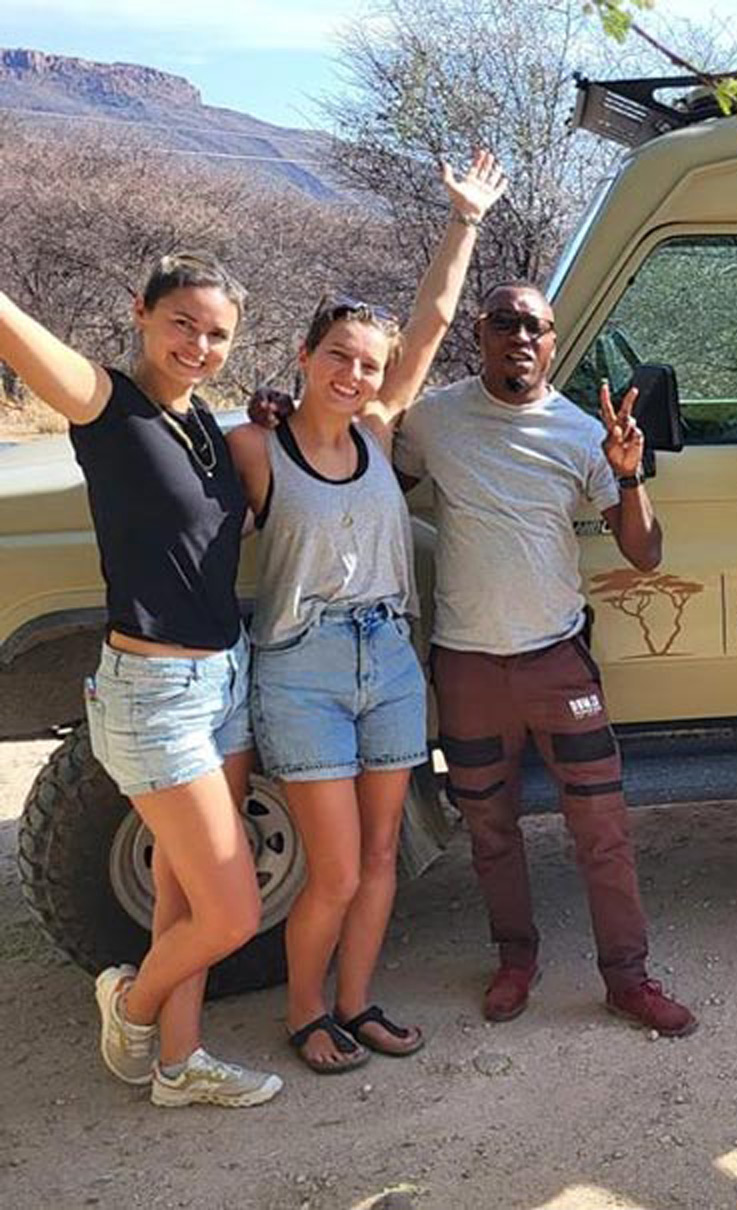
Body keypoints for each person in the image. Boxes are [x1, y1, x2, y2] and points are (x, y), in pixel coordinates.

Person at [226, 152, 506, 1073]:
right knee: (336, 868)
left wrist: (463, 221)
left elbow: (428, 322)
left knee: (386, 854)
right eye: (337, 356)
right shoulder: (256, 449)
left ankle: (357, 1002)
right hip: (301, 666)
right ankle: (305, 1013)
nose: (354, 372)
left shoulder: (379, 433)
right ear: (304, 356)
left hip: (388, 657)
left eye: (368, 363)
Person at [0, 254, 282, 1107]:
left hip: (224, 679)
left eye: (217, 334)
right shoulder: (106, 407)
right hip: (155, 695)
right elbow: (16, 334)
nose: (199, 345)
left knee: (184, 889)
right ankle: (131, 1003)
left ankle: (177, 1066)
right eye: (182, 324)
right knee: (232, 914)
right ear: (141, 313)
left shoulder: (205, 423)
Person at [391, 282, 697, 1036]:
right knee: (490, 828)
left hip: (557, 661)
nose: (520, 337)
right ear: (480, 332)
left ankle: (628, 978)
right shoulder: (433, 419)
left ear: (554, 342)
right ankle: (515, 960)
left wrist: (628, 474)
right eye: (505, 323)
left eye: (536, 327)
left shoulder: (578, 432)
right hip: (466, 664)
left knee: (602, 828)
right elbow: (372, 484)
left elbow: (645, 554)